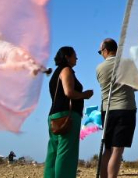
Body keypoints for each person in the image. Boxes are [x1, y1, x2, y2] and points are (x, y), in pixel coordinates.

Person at [45, 46, 94, 178]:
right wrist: (85, 94)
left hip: (54, 116)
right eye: (74, 55)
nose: (76, 58)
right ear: (67, 57)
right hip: (67, 115)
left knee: (53, 152)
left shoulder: (55, 74)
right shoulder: (66, 70)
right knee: (67, 152)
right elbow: (69, 92)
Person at [96, 38, 138, 178]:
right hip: (125, 109)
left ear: (106, 50)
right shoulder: (127, 64)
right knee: (117, 150)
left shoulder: (99, 68)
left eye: (100, 52)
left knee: (107, 149)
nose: (100, 54)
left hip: (107, 110)